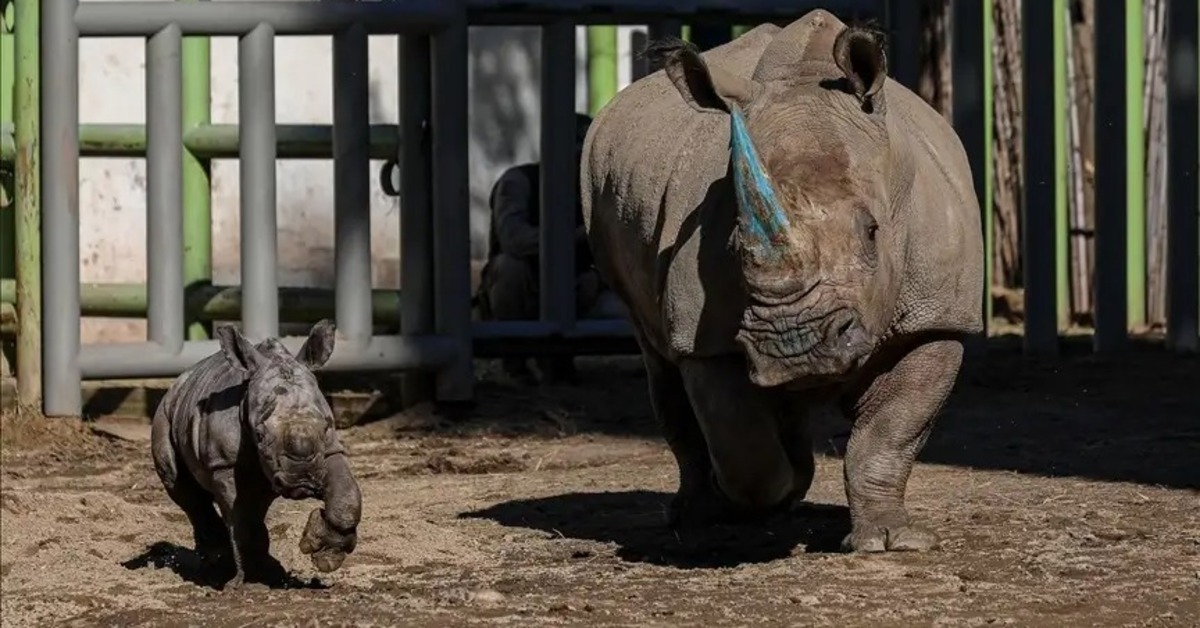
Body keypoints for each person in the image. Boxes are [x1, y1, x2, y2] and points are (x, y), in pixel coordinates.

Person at [475, 113, 602, 384]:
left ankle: (558, 359)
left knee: (591, 280)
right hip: (523, 281)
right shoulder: (520, 181)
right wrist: (582, 236)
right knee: (511, 269)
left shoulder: (591, 192)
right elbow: (514, 240)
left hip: (570, 281)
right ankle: (514, 363)